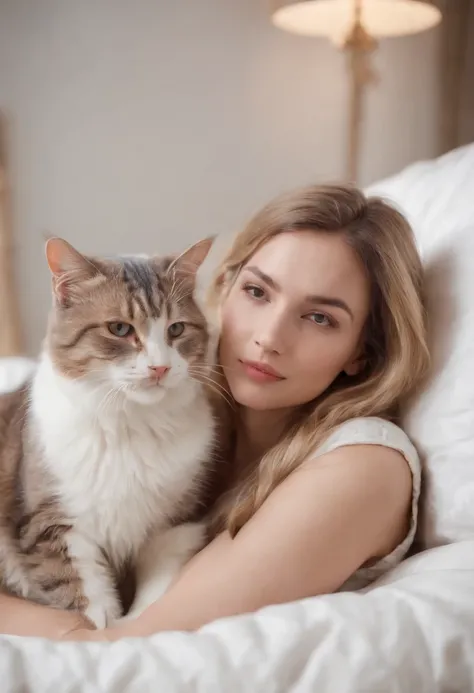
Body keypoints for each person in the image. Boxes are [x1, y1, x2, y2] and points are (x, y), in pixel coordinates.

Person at [0, 184, 429, 641]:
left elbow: (124, 648)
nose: (269, 337)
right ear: (222, 288)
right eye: (257, 292)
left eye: (320, 317)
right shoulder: (183, 410)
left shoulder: (362, 470)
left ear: (361, 352)